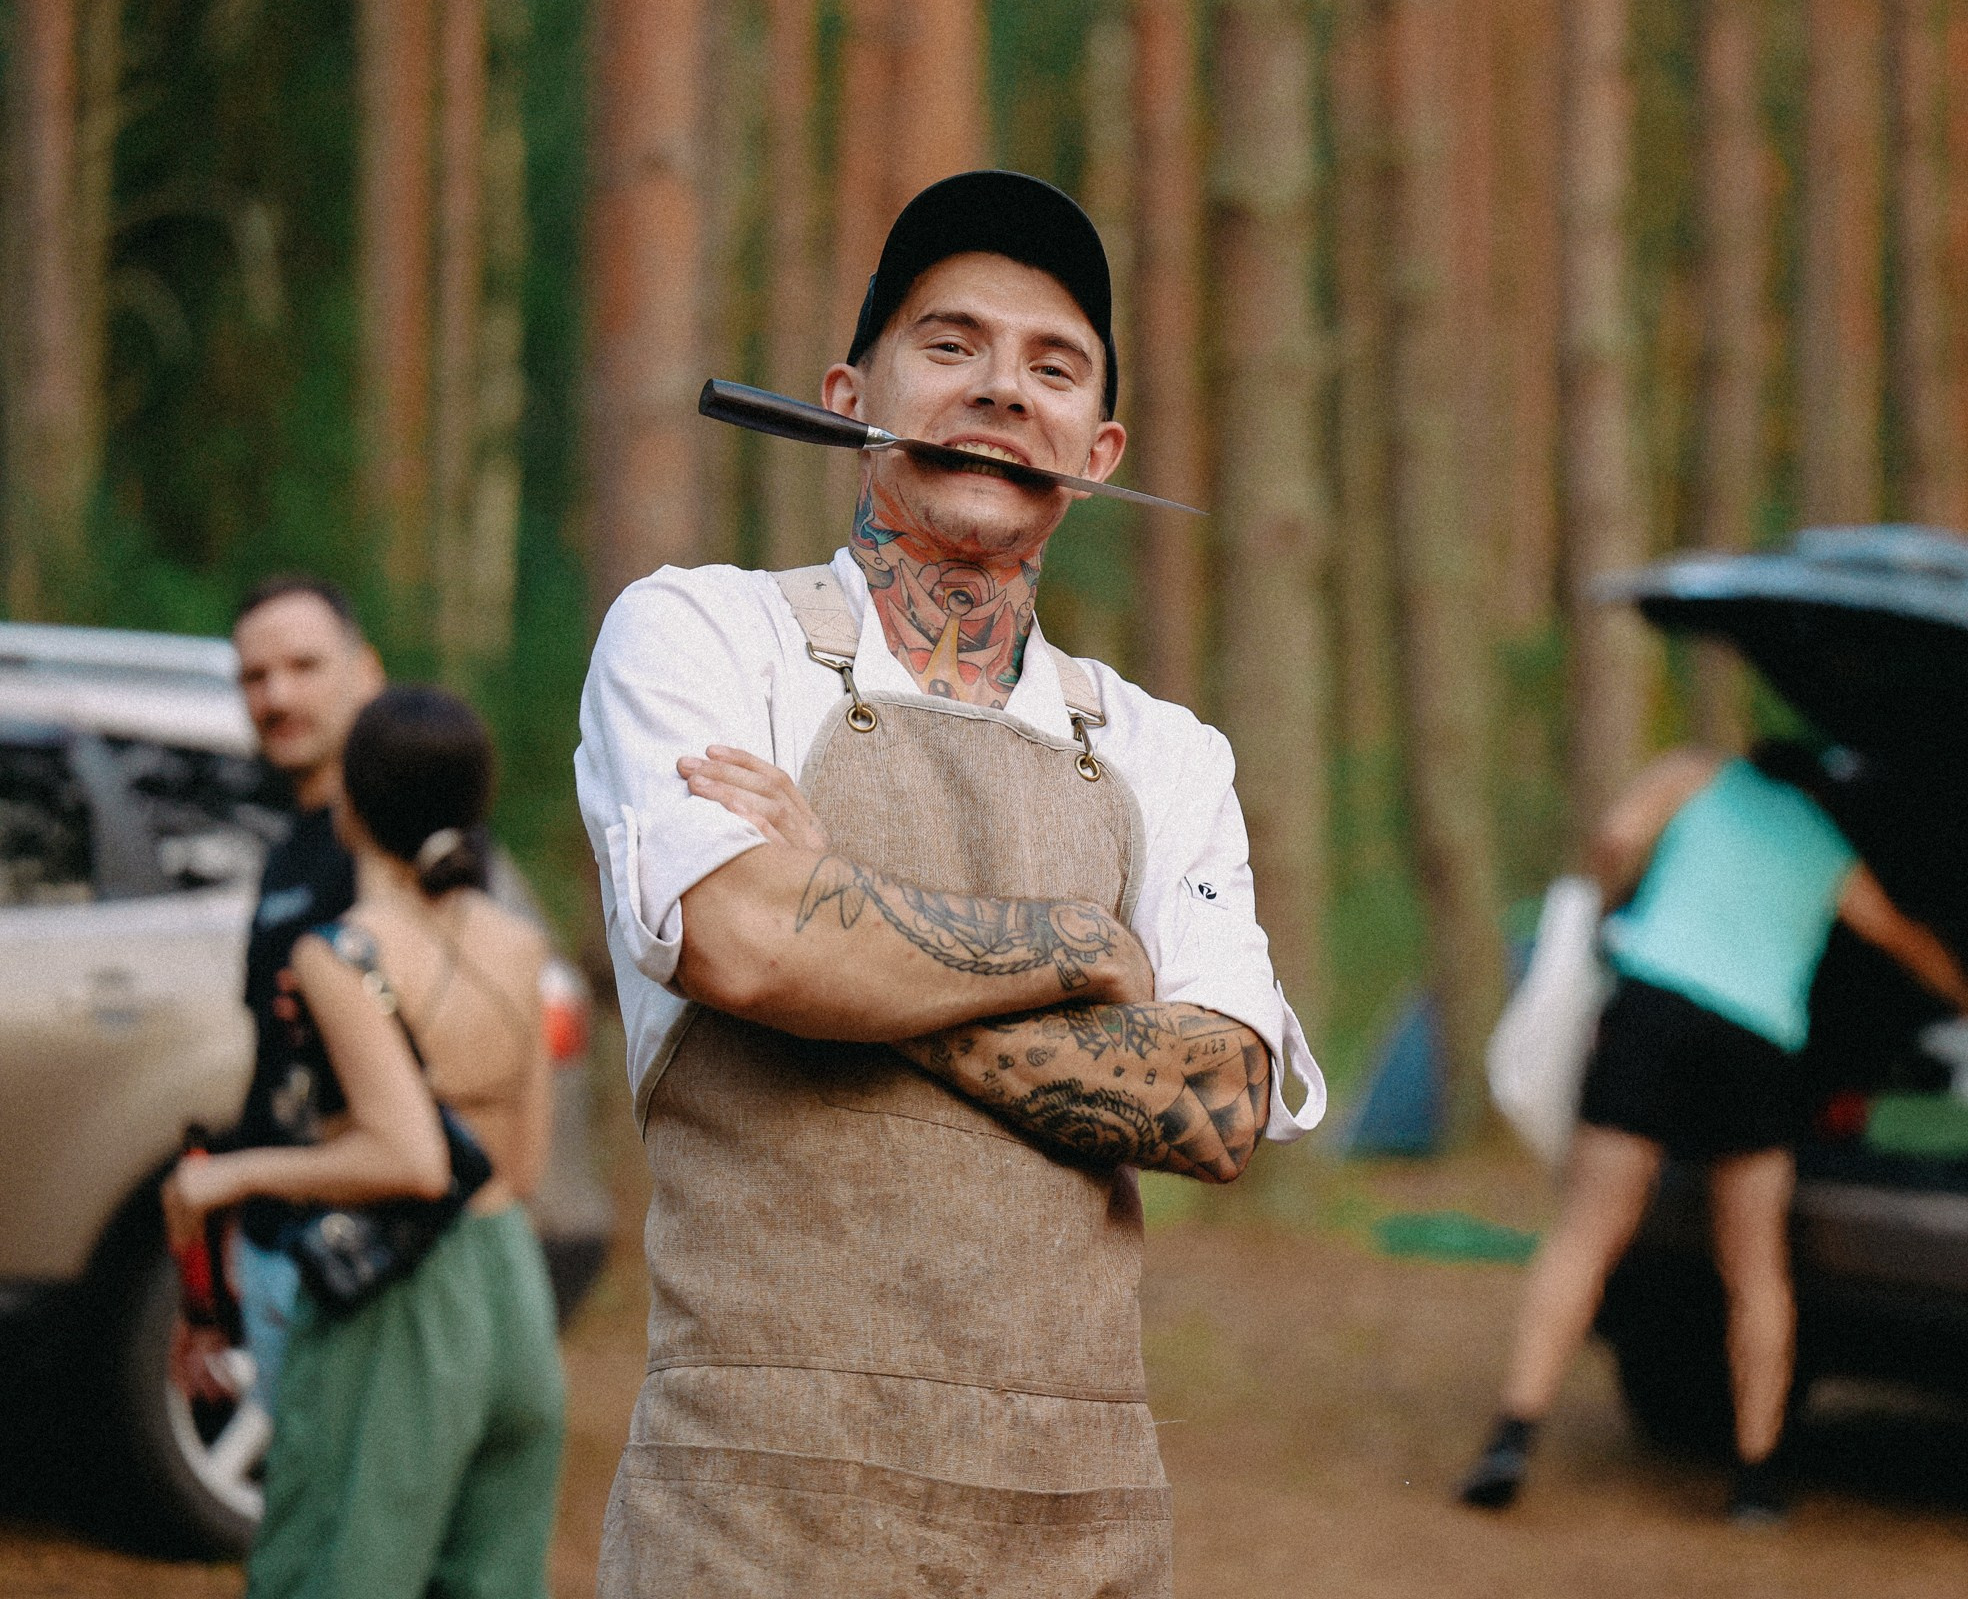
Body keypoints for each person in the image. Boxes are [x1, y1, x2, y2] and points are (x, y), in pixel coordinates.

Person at [575, 169, 1325, 1594]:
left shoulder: (1169, 753)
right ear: (848, 391)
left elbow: (1218, 1100)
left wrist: (838, 910)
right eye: (949, 344)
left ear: (1098, 450)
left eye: (1052, 367)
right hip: (755, 1514)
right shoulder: (700, 635)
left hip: (1077, 1531)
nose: (999, 389)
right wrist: (1087, 944)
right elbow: (746, 946)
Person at [1457, 744, 1968, 1522]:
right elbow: (1899, 937)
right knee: (1753, 1263)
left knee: (1587, 1231)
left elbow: (1614, 835)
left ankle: (1512, 1436)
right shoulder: (1826, 846)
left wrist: (1607, 914)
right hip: (1756, 1042)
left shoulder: (1696, 775)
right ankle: (1756, 1479)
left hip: (1656, 1009)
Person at [163, 686, 565, 1597]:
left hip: (401, 1302)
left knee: (339, 1569)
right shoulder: (516, 941)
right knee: (492, 1579)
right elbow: (528, 1162)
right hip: (512, 1288)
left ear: (352, 798)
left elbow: (412, 1160)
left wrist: (227, 1177)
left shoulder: (341, 953)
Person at [177, 577, 386, 1412]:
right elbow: (275, 1064)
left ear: (365, 671)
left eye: (304, 666)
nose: (277, 695)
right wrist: (211, 1284)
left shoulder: (397, 849)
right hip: (277, 1255)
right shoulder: (289, 849)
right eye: (255, 677)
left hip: (363, 1265)